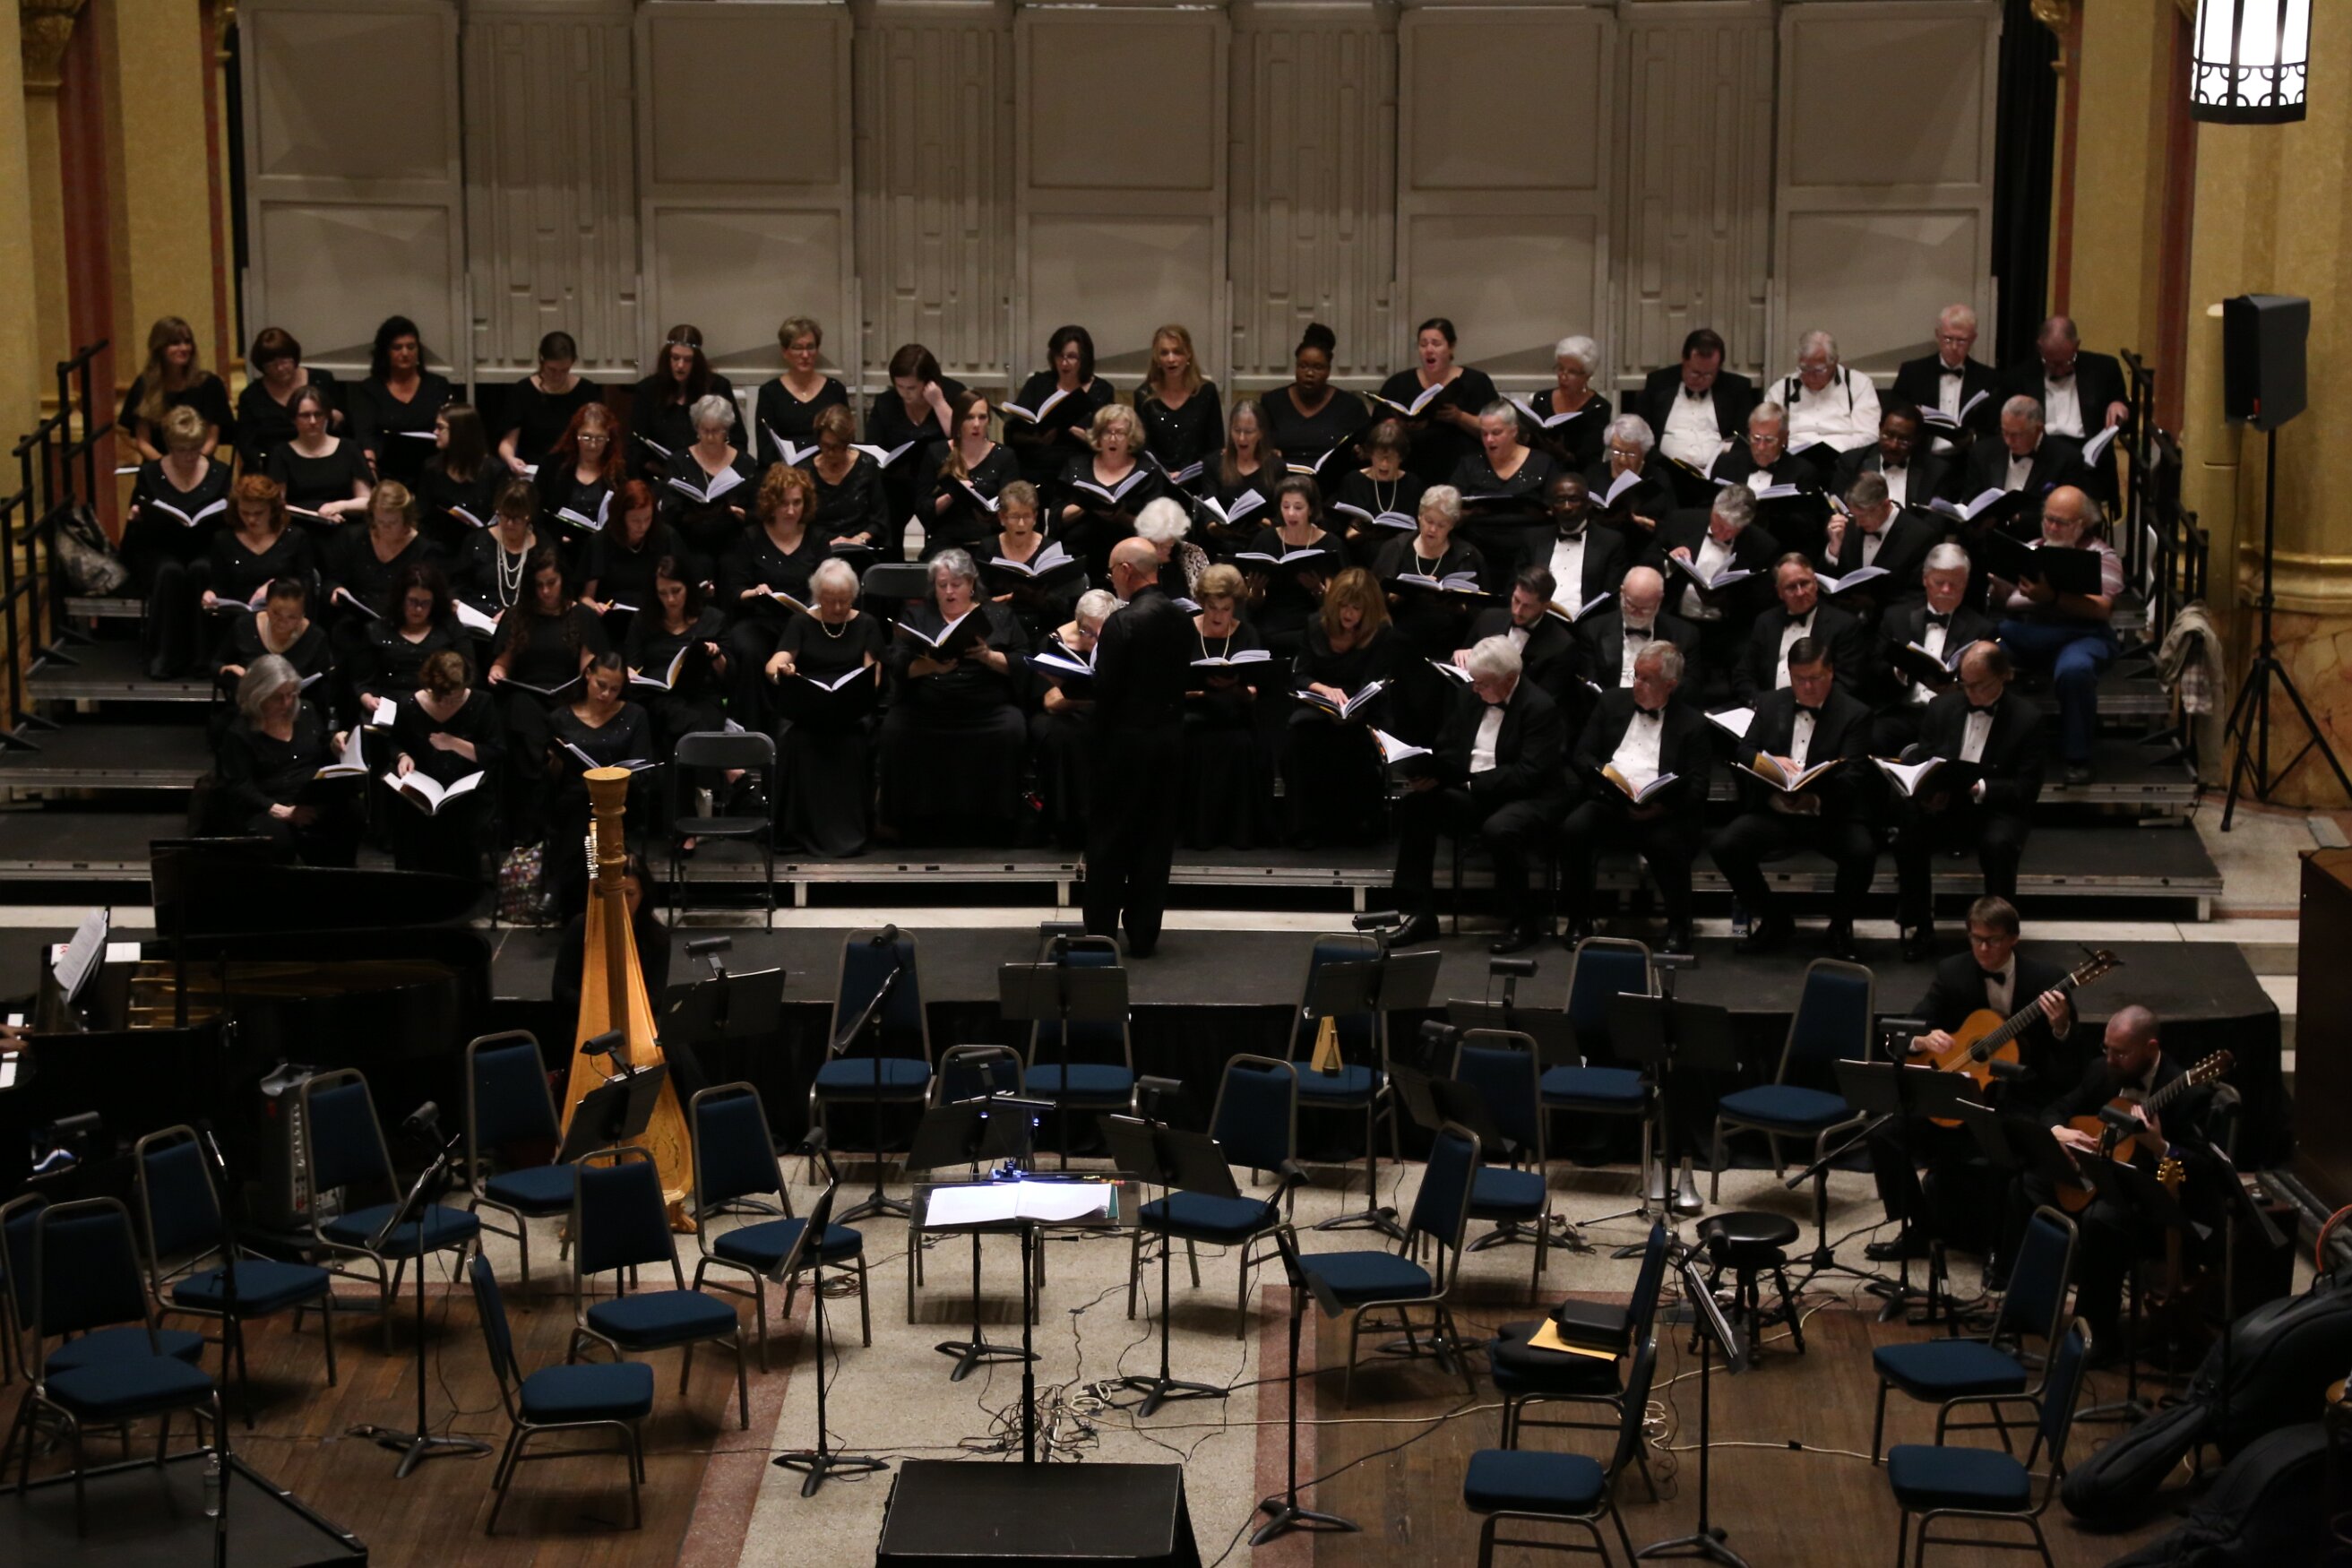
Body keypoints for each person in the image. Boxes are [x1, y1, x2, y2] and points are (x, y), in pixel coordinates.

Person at [1865, 895, 2081, 1267]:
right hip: (1960, 1092)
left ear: (2013, 938)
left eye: (1992, 940)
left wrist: (2061, 1026)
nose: (1983, 948)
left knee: (2001, 1153)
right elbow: (1911, 1026)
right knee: (1883, 1134)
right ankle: (1921, 1229)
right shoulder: (1953, 972)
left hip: (2018, 1097)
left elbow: (2071, 1058)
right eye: (1976, 938)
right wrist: (1923, 1039)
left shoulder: (2047, 980)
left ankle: (1999, 1247)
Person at [2030, 1005, 2216, 1359]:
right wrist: (2059, 1131)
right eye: (2107, 1048)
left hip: (2159, 1205)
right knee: (2029, 1184)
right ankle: (2031, 1305)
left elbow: (2203, 1170)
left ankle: (2097, 1336)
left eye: (2121, 1052)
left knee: (2102, 1220)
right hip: (2105, 1183)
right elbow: (2056, 1108)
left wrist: (2160, 1147)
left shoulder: (2188, 1093)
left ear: (2150, 1048)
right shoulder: (2103, 1070)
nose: (2110, 1059)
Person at [1391, 634, 1566, 954]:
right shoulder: (1468, 695)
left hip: (1527, 798)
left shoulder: (1540, 707)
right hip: (1474, 791)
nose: (1475, 688)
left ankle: (1523, 920)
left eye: (1482, 683)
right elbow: (1447, 745)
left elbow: (1529, 774)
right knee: (1417, 806)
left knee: (1499, 828)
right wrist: (1434, 774)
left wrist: (1469, 783)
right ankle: (1420, 912)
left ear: (1509, 679)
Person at [1707, 636, 1876, 961]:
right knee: (1725, 846)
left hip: (1828, 814)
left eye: (1816, 678)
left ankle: (1840, 927)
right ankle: (1774, 920)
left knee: (1862, 851)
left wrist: (1812, 800)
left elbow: (1853, 776)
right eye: (1800, 679)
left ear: (1831, 672)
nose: (1808, 687)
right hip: (1776, 811)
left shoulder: (1855, 713)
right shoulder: (1771, 702)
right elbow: (1744, 750)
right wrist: (1770, 761)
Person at [1085, 538, 1203, 957]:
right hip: (1169, 741)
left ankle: (1101, 933)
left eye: (1111, 571)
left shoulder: (1122, 622)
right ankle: (1143, 935)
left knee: (1110, 841)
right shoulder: (1182, 620)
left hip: (1125, 744)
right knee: (1155, 840)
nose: (1111, 580)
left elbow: (1107, 690)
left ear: (1126, 570)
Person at [1891, 641, 2044, 960]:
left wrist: (1980, 788)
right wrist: (1929, 794)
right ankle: (1920, 926)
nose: (1970, 692)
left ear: (2004, 676)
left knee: (1999, 845)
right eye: (1965, 684)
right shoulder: (1941, 707)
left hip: (1996, 810)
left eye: (1979, 685)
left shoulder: (2027, 719)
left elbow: (2026, 789)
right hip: (1948, 807)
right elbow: (1927, 760)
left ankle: (2000, 932)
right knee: (1909, 834)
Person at [1558, 641, 1710, 952]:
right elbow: (1582, 754)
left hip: (1661, 812)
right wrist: (1606, 782)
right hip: (1611, 803)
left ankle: (1679, 926)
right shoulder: (1611, 702)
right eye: (1636, 675)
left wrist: (1661, 808)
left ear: (1670, 684)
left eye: (1646, 679)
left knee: (1668, 843)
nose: (1637, 685)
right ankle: (1578, 920)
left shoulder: (1693, 723)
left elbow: (1698, 787)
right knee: (1573, 829)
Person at [876, 548, 1030, 843]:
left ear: (971, 584)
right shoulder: (917, 615)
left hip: (986, 708)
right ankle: (907, 821)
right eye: (942, 585)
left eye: (956, 584)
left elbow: (1022, 662)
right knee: (895, 729)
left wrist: (988, 656)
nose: (949, 592)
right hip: (926, 707)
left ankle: (999, 821)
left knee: (1011, 728)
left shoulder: (999, 615)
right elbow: (898, 664)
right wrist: (931, 666)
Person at [1993, 485, 2121, 787]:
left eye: (2061, 522)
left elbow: (2102, 609)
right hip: (2026, 631)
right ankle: (1990, 755)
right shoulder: (2032, 547)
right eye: (2048, 519)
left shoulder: (2102, 555)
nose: (2051, 527)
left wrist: (2051, 598)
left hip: (2080, 633)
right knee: (1982, 657)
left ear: (2082, 524)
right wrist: (1997, 584)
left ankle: (2078, 757)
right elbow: (2007, 598)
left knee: (2075, 670)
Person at [767, 559, 885, 857]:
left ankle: (849, 831)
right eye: (830, 600)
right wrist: (782, 671)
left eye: (844, 600)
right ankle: (800, 828)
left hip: (850, 710)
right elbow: (775, 662)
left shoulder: (867, 624)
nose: (837, 608)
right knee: (797, 741)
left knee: (854, 741)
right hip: (810, 709)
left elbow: (872, 673)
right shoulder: (801, 623)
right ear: (818, 596)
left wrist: (859, 690)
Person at [489, 547, 609, 834]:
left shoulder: (581, 615)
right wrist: (497, 672)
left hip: (567, 696)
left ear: (562, 580)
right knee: (520, 711)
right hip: (527, 694)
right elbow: (503, 662)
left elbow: (588, 668)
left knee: (565, 719)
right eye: (539, 585)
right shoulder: (518, 616)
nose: (545, 591)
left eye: (551, 583)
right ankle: (530, 822)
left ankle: (557, 817)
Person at [1285, 566, 1399, 848]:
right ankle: (1306, 826)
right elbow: (1301, 675)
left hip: (1364, 706)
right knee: (1301, 735)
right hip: (1321, 703)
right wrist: (1324, 690)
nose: (1348, 613)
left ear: (1368, 610)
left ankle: (1356, 825)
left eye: (1356, 608)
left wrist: (1353, 708)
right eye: (1343, 605)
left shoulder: (1381, 631)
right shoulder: (1315, 624)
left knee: (1355, 740)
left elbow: (1373, 683)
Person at [213, 656, 361, 866]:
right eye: (277, 698)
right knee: (277, 840)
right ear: (257, 696)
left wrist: (333, 744)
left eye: (291, 695)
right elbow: (239, 786)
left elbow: (319, 746)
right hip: (268, 803)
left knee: (352, 813)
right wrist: (283, 811)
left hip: (309, 795)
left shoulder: (306, 711)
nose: (286, 704)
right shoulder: (239, 732)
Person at [126, 405, 233, 679]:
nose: (188, 456)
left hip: (205, 546)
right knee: (169, 572)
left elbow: (229, 518)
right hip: (161, 547)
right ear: (169, 445)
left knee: (202, 570)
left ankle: (204, 658)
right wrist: (137, 515)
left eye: (195, 449)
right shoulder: (150, 472)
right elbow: (139, 515)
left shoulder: (219, 472)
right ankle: (165, 657)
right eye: (181, 450)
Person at [1374, 485, 1485, 744]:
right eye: (1428, 520)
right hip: (1400, 642)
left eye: (1441, 524)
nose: (1432, 529)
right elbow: (1371, 599)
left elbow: (1482, 610)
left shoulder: (1467, 555)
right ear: (1419, 515)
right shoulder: (1396, 548)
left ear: (1452, 525)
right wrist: (1394, 598)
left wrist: (1460, 608)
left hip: (1448, 645)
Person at [544, 653, 657, 909]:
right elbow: (552, 778)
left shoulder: (635, 715)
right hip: (574, 800)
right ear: (588, 676)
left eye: (614, 689)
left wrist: (614, 778)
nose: (606, 694)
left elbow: (643, 768)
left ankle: (557, 885)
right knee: (582, 804)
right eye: (601, 685)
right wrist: (555, 761)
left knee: (588, 806)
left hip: (623, 799)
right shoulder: (561, 717)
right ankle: (578, 895)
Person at [719, 464, 828, 721]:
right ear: (771, 504)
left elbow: (827, 586)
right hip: (761, 620)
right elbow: (735, 590)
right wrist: (754, 592)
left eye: (797, 502)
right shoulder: (752, 537)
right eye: (783, 503)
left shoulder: (817, 538)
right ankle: (752, 725)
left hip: (805, 622)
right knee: (748, 647)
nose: (791, 511)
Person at [386, 648, 504, 880]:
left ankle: (462, 888)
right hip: (424, 789)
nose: (450, 702)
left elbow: (496, 753)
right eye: (444, 698)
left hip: (468, 792)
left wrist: (454, 744)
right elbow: (395, 741)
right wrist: (403, 756)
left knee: (463, 823)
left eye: (456, 697)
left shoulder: (482, 703)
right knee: (409, 818)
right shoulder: (410, 703)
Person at [1179, 564, 1273, 850]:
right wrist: (1199, 691)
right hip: (1194, 714)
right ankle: (1197, 831)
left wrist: (1235, 688)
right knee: (1195, 743)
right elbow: (1170, 683)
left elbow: (1255, 688)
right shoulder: (1185, 630)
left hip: (1235, 716)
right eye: (1212, 607)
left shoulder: (1247, 633)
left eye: (1226, 609)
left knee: (1241, 744)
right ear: (1202, 603)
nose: (1218, 615)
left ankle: (1239, 830)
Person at [1871, 543, 1996, 756]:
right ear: (1925, 579)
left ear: (1965, 583)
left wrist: (1956, 688)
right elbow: (1873, 671)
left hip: (1952, 717)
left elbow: (1986, 682)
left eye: (1954, 584)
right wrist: (1900, 670)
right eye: (1940, 583)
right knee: (1874, 736)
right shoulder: (1896, 617)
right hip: (1903, 711)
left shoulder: (1981, 629)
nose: (1946, 590)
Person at [1650, 485, 1780, 685]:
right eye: (1718, 523)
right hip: (1676, 620)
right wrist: (1670, 563)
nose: (1720, 533)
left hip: (1726, 630)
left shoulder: (1763, 546)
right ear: (1713, 509)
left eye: (1729, 530)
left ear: (1745, 525)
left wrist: (1726, 602)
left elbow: (1763, 601)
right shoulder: (1680, 521)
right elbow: (1648, 561)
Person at [321, 481, 438, 678]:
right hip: (357, 623)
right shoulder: (354, 537)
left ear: (406, 519)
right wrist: (336, 591)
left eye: (392, 523)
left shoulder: (423, 551)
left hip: (401, 626)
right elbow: (332, 579)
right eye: (380, 522)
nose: (384, 529)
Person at [199, 478, 317, 672]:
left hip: (282, 620)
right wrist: (210, 593)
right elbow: (219, 584)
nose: (251, 520)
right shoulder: (224, 539)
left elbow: (306, 583)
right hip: (239, 622)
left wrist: (275, 586)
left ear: (273, 510)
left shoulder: (295, 537)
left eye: (258, 513)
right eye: (245, 513)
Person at [1031, 590, 1113, 850]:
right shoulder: (1054, 642)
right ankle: (1070, 824)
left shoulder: (1118, 641)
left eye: (1102, 633)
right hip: (1064, 713)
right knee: (1063, 736)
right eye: (1088, 632)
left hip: (1106, 712)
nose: (1095, 640)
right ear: (1078, 625)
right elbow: (1050, 701)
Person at [625, 555, 729, 755]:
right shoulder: (643, 620)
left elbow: (729, 676)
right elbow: (633, 663)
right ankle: (723, 765)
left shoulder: (713, 619)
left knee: (701, 716)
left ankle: (710, 769)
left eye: (676, 591)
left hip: (701, 694)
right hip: (658, 697)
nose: (670, 599)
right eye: (663, 593)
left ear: (688, 587)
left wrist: (716, 656)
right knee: (677, 713)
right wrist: (630, 674)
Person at [1730, 554, 1865, 706]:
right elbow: (1743, 674)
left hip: (1818, 711)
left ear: (1815, 583)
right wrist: (1761, 703)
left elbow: (1846, 684)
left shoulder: (1843, 624)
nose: (1800, 593)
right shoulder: (1766, 622)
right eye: (1791, 587)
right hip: (1766, 709)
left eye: (1804, 583)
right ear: (1779, 592)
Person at [1375, 317, 1498, 484]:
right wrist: (1400, 424)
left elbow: (1494, 428)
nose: (1429, 350)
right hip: (1412, 468)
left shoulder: (1476, 382)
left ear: (1451, 347)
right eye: (1423, 344)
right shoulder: (1399, 383)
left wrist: (1459, 417)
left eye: (1436, 344)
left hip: (1461, 468)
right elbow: (1379, 429)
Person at [1709, 402, 1830, 566]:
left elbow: (1807, 529)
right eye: (1756, 438)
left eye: (1769, 440)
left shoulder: (1803, 472)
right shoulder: (1726, 464)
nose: (1761, 447)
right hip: (1725, 546)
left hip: (1777, 554)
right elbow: (1707, 507)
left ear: (1784, 438)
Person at [1457, 565, 1585, 720]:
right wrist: (1460, 654)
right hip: (1474, 710)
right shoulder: (1489, 618)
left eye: (1527, 606)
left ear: (1546, 606)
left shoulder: (1562, 646)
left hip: (1520, 720)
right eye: (1516, 600)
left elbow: (1543, 702)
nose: (1517, 611)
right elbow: (1463, 659)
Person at [1055, 401, 1165, 581]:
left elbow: (1154, 529)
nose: (1113, 439)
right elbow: (1057, 517)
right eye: (1107, 432)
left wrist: (1122, 517)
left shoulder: (1147, 472)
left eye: (1120, 433)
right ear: (1098, 436)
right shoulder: (1076, 465)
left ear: (1131, 437)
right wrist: (1086, 504)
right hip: (1079, 552)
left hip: (1128, 558)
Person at [866, 342, 964, 539]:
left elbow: (961, 437)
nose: (905, 393)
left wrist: (938, 403)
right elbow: (873, 445)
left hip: (940, 480)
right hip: (897, 481)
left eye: (911, 387)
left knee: (944, 528)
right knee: (885, 519)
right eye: (899, 386)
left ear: (929, 382)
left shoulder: (952, 393)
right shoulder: (887, 402)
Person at [1448, 401, 1558, 577]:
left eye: (1496, 433)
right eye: (1484, 433)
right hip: (1478, 552)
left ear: (1514, 431)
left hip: (1529, 553)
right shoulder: (1470, 464)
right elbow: (1449, 508)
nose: (1489, 440)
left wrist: (1539, 512)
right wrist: (1468, 514)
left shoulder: (1543, 462)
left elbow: (1555, 509)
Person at [1003, 324, 1116, 494]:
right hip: (1037, 466)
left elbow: (1109, 440)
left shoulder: (1102, 391)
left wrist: (1078, 433)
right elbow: (1012, 432)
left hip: (1081, 467)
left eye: (1072, 357)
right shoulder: (1038, 383)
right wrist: (1036, 439)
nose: (1064, 363)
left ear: (1084, 359)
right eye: (1059, 356)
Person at [347, 315, 454, 490]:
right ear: (385, 352)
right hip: (387, 475)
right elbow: (365, 438)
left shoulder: (437, 385)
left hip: (433, 472)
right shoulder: (369, 389)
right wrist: (373, 477)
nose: (405, 353)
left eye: (411, 347)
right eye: (397, 348)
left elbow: (451, 431)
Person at [1241, 476, 1343, 659]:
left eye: (1298, 507)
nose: (1291, 513)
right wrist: (1256, 593)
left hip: (1312, 619)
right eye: (1285, 506)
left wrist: (1317, 589)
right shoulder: (1265, 539)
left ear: (1311, 509)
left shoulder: (1331, 544)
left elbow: (1338, 602)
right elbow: (1249, 603)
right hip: (1269, 619)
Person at [1822, 468, 1937, 626]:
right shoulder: (1847, 526)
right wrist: (1833, 549)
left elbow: (1918, 595)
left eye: (1864, 516)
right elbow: (1825, 585)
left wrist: (1875, 604)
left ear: (1885, 505)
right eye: (1854, 515)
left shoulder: (1920, 536)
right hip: (1844, 622)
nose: (1858, 523)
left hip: (1888, 625)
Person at [354, 564, 462, 731]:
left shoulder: (450, 629)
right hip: (390, 709)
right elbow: (362, 681)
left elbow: (466, 672)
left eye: (425, 603)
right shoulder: (377, 630)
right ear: (401, 599)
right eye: (413, 601)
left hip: (437, 706)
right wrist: (368, 699)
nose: (418, 609)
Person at [1633, 326, 1755, 472]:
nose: (1701, 379)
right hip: (1666, 473)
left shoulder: (1736, 389)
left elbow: (1743, 439)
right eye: (1695, 373)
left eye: (1708, 374)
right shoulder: (1659, 383)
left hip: (1718, 474)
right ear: (1684, 360)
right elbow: (1641, 434)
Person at [625, 323, 740, 478]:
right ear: (667, 358)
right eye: (675, 358)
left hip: (710, 474)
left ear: (697, 362)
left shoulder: (717, 387)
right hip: (661, 476)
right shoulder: (648, 390)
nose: (680, 365)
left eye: (688, 360)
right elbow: (635, 447)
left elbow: (737, 440)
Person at [1257, 323, 1366, 484]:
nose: (1309, 373)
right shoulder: (1272, 403)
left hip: (1333, 487)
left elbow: (1365, 451)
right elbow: (1256, 445)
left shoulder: (1351, 407)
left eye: (1318, 367)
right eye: (1303, 366)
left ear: (1328, 370)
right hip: (1282, 486)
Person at [119, 315, 233, 464]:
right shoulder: (145, 385)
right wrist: (168, 468)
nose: (184, 348)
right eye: (175, 343)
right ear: (159, 348)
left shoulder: (209, 384)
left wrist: (191, 466)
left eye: (187, 342)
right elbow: (143, 443)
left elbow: (211, 440)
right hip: (158, 467)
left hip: (200, 466)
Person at [1950, 395, 2095, 508]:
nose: (2008, 441)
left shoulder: (2067, 458)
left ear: (2039, 429)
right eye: (2005, 432)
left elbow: (2068, 512)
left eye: (2017, 435)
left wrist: (2017, 519)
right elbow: (1971, 501)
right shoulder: (1982, 452)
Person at [1574, 564, 1700, 694]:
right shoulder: (1593, 630)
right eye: (1631, 605)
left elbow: (1689, 688)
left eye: (1645, 608)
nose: (1636, 613)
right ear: (1622, 593)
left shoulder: (1685, 635)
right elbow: (1588, 685)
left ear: (1659, 600)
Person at [979, 479, 1081, 640]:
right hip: (999, 625)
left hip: (1042, 626)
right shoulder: (987, 547)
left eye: (1027, 516)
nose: (1021, 524)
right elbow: (977, 597)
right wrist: (993, 603)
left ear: (1035, 517)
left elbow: (1062, 606)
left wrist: (1040, 601)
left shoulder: (1051, 548)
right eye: (1014, 516)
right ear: (1002, 517)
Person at [659, 393, 755, 561]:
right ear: (697, 429)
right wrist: (694, 514)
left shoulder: (746, 463)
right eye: (705, 430)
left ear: (726, 430)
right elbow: (669, 511)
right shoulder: (679, 462)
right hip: (690, 546)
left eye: (716, 431)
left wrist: (743, 514)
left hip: (735, 545)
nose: (710, 437)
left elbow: (759, 510)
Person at [1891, 303, 2001, 448]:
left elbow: (1994, 429)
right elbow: (1893, 415)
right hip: (1922, 454)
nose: (1954, 347)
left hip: (1969, 455)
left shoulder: (1989, 378)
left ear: (1973, 339)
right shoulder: (1912, 372)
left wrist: (1972, 438)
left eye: (1961, 340)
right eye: (1948, 339)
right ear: (1937, 335)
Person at [235, 326, 341, 473]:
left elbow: (343, 430)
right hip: (272, 467)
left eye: (284, 361)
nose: (280, 368)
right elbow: (247, 446)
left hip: (321, 461)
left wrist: (336, 418)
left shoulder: (323, 380)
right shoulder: (251, 396)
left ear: (294, 357)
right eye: (271, 364)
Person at [928, 390, 1021, 558]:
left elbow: (1012, 506)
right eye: (969, 417)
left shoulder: (1005, 456)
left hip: (990, 542)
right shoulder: (937, 452)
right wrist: (952, 494)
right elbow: (924, 510)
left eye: (982, 417)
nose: (976, 424)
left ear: (989, 420)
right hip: (946, 543)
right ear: (958, 420)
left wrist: (993, 516)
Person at [1519, 470, 1630, 609]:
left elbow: (1612, 597)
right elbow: (1516, 587)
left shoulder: (1610, 542)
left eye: (1574, 499)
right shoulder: (1534, 539)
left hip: (1588, 621)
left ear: (1588, 503)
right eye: (1560, 500)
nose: (1567, 507)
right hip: (1540, 617)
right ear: (1552, 507)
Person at [214, 577, 332, 705]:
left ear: (302, 615)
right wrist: (225, 670)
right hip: (249, 707)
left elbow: (323, 685)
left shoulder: (316, 637)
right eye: (276, 613)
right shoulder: (244, 626)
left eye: (292, 617)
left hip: (295, 708)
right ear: (266, 606)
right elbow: (216, 664)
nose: (282, 621)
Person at [753, 315, 850, 470]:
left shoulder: (835, 390)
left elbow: (845, 439)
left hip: (829, 471)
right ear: (785, 352)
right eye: (797, 348)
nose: (805, 355)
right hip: (787, 474)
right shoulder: (770, 393)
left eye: (810, 347)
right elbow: (766, 450)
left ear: (817, 350)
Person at [495, 332, 601, 475]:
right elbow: (508, 442)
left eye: (564, 370)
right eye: (552, 370)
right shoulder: (523, 391)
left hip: (575, 470)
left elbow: (598, 435)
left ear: (573, 362)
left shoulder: (586, 391)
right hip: (533, 469)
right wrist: (511, 459)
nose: (557, 376)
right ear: (542, 360)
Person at [1768, 330, 1882, 462]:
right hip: (1794, 462)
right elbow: (1769, 436)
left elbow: (1869, 435)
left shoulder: (1859, 385)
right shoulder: (1780, 391)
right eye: (1804, 369)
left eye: (1818, 370)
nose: (1810, 377)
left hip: (1845, 461)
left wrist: (1837, 450)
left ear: (1835, 362)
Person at [581, 480, 682, 627]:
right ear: (621, 518)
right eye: (635, 520)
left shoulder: (666, 536)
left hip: (656, 618)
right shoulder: (600, 542)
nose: (642, 526)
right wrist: (597, 607)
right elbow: (586, 597)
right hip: (613, 621)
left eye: (647, 519)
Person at [266, 384, 372, 524]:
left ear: (327, 415)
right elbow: (278, 504)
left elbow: (366, 501)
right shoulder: (281, 453)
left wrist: (339, 506)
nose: (313, 421)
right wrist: (315, 516)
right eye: (305, 415)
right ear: (294, 418)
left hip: (343, 522)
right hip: (300, 525)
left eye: (318, 414)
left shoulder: (349, 448)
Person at [1134, 324, 1223, 490]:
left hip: (1199, 481)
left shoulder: (1206, 392)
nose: (1171, 359)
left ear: (1188, 354)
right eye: (1164, 353)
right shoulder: (1144, 396)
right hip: (1157, 482)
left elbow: (1215, 447)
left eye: (1177, 352)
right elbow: (1142, 448)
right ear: (1157, 358)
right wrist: (1166, 473)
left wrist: (1188, 473)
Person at [1326, 419, 1426, 567]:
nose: (1384, 464)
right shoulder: (1353, 480)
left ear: (1401, 457)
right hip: (1356, 556)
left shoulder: (1412, 484)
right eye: (1380, 457)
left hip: (1400, 557)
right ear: (1371, 454)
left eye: (1390, 458)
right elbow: (1341, 528)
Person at [537, 402, 626, 564]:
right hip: (559, 552)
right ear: (576, 435)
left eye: (600, 438)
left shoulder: (620, 471)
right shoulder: (553, 466)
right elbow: (538, 512)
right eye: (586, 437)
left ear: (609, 438)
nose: (593, 445)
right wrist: (556, 538)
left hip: (606, 553)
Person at [456, 478, 548, 627]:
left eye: (516, 518)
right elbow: (457, 586)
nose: (509, 523)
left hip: (523, 623)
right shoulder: (476, 539)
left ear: (529, 515)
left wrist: (516, 614)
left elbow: (547, 596)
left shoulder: (544, 547)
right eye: (504, 516)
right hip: (475, 620)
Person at [804, 404, 892, 560]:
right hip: (818, 550)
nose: (830, 452)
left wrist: (857, 540)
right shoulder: (806, 471)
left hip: (859, 549)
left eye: (836, 447)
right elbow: (802, 522)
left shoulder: (867, 465)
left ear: (847, 442)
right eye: (825, 445)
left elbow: (879, 519)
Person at [1198, 400, 1284, 556]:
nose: (1241, 438)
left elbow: (1280, 513)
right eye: (1237, 430)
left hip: (1261, 544)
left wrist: (1267, 523)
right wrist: (1213, 526)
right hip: (1221, 543)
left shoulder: (1276, 466)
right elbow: (1209, 507)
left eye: (1249, 432)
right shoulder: (1214, 462)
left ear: (1261, 433)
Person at [1829, 401, 1950, 510]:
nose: (1893, 445)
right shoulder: (1852, 462)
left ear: (1917, 439)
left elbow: (1934, 522)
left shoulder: (1936, 471)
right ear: (1880, 428)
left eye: (1903, 440)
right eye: (1888, 435)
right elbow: (1838, 508)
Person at [1518, 335, 1612, 472]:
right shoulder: (1541, 398)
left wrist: (1564, 455)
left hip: (1576, 477)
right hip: (1538, 471)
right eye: (1560, 368)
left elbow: (1591, 462)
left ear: (1587, 375)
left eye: (1572, 372)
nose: (1563, 376)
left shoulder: (1598, 408)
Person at [414, 401, 499, 549]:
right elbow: (422, 515)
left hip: (482, 548)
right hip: (440, 547)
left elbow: (499, 518)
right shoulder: (432, 468)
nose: (435, 432)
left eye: (440, 427)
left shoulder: (494, 470)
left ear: (459, 431)